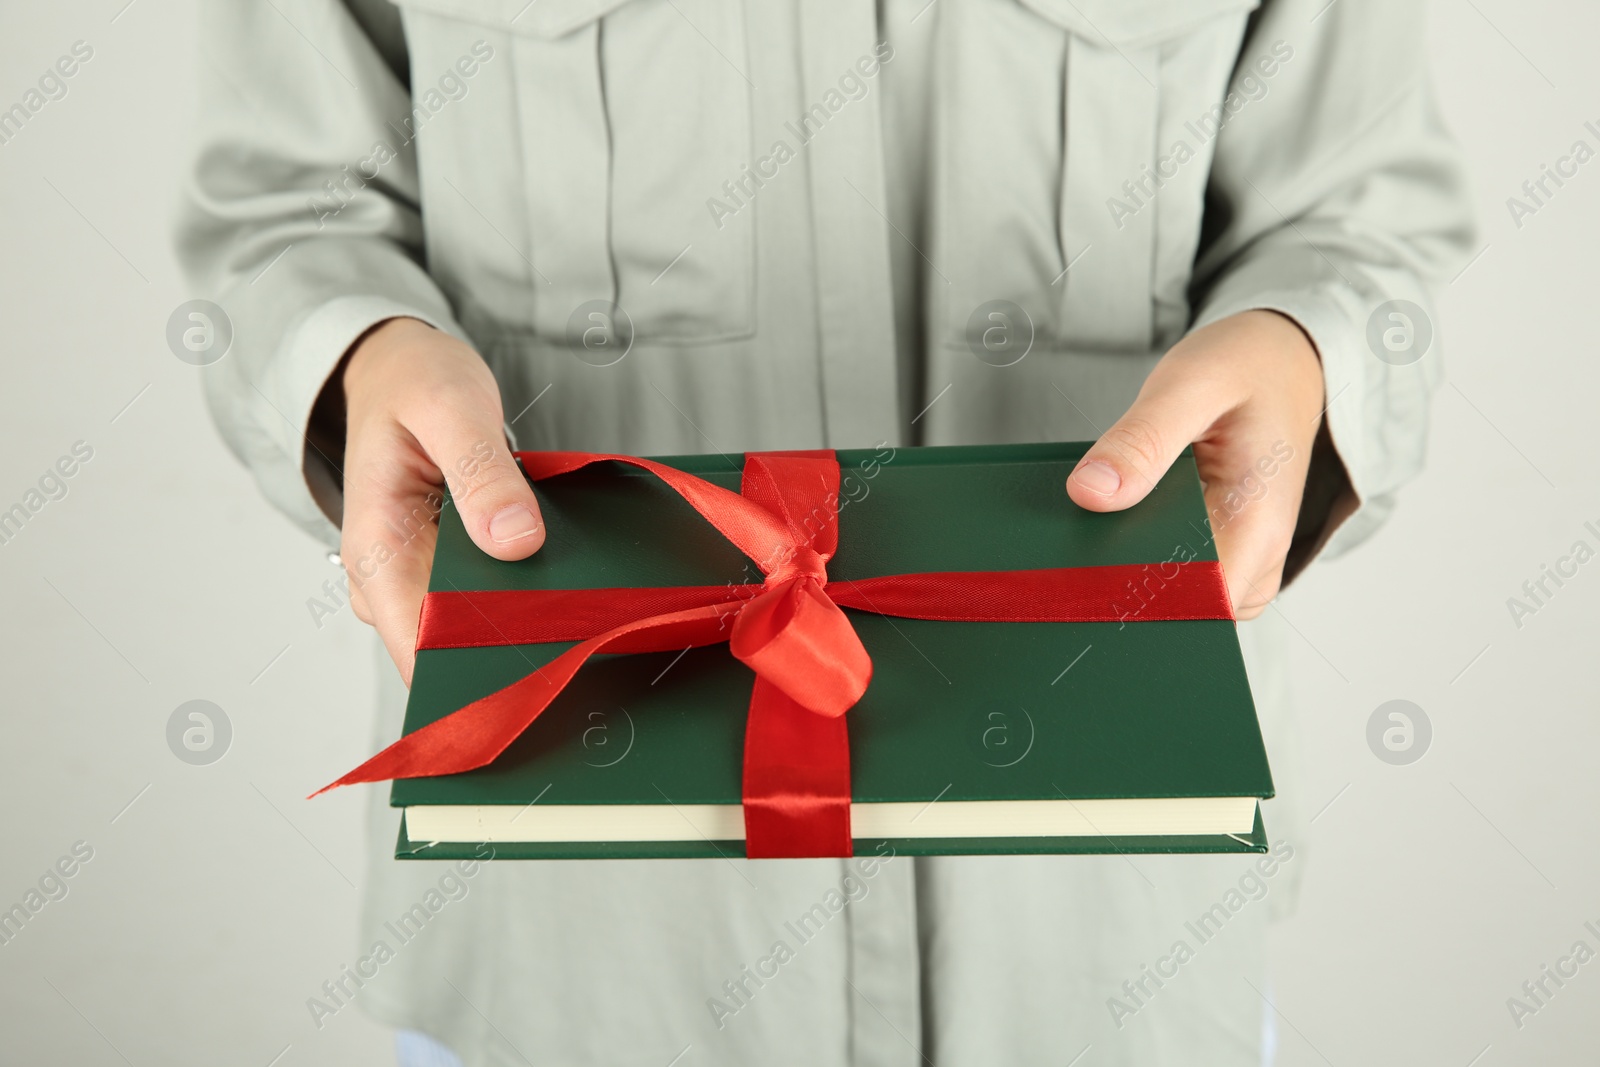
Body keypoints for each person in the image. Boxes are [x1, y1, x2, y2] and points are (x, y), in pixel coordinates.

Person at [179, 0, 1472, 1063]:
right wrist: (350, 359)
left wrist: (1315, 349)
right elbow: (283, 218)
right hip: (575, 960)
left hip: (1106, 958)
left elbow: (1357, 216)